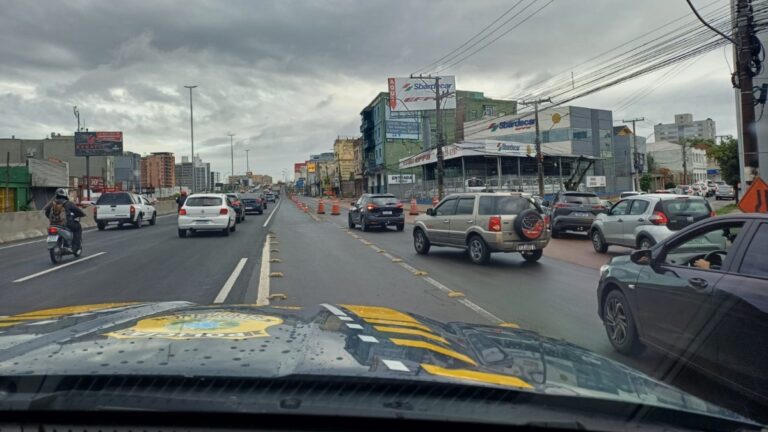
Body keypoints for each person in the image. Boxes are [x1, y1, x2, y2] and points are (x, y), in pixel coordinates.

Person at [44, 188, 86, 253]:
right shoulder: (68, 203)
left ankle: (65, 244)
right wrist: (81, 214)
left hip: (53, 224)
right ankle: (75, 247)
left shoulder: (52, 204)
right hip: (66, 224)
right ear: (65, 195)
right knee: (78, 227)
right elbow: (78, 211)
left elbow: (47, 213)